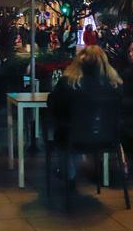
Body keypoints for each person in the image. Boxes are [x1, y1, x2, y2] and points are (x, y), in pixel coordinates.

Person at [47, 46, 123, 185]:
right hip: (108, 138)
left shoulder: (69, 83)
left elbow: (53, 104)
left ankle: (68, 174)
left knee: (63, 129)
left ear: (78, 61)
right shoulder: (115, 85)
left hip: (74, 138)